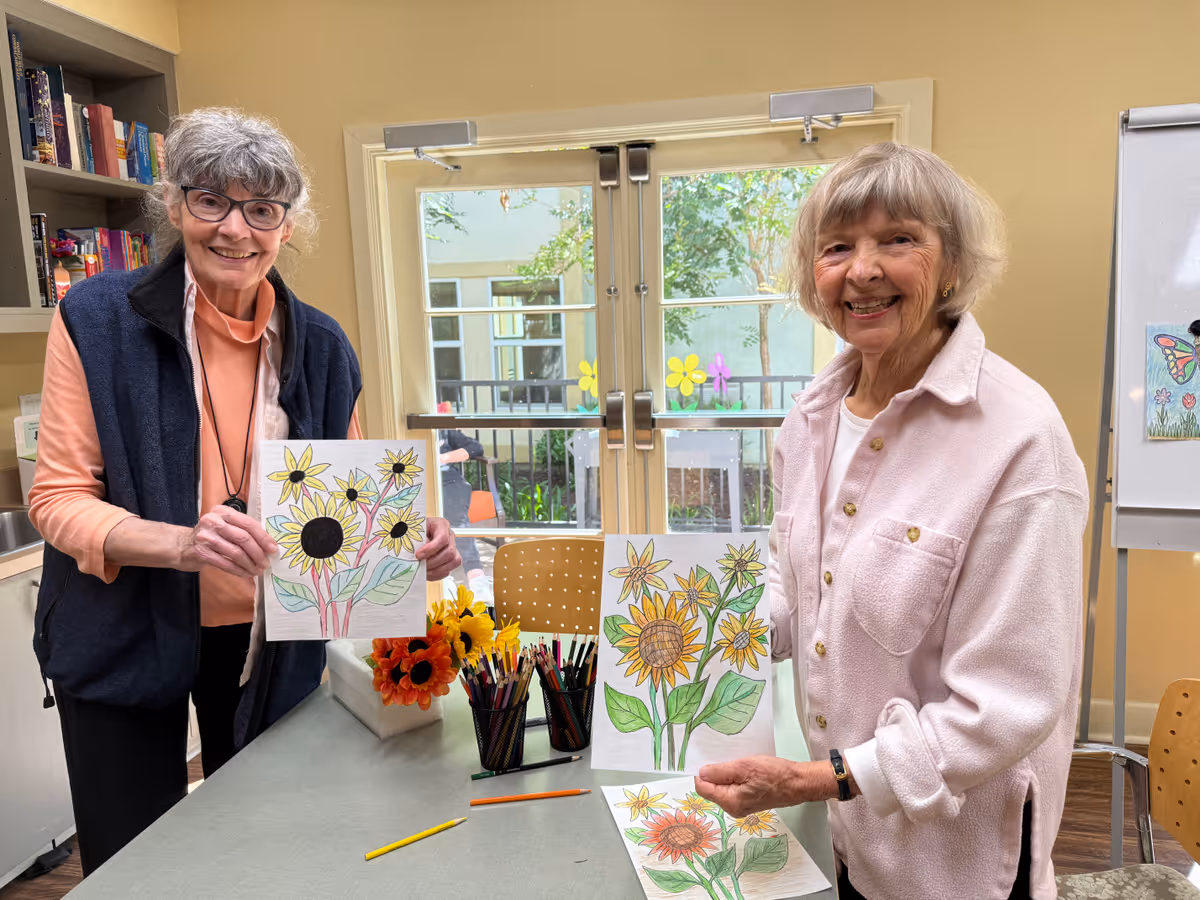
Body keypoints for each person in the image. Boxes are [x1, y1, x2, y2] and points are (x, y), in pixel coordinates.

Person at [28, 108, 462, 875]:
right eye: (212, 202)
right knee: (138, 868)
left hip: (270, 643)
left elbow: (351, 499)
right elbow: (58, 499)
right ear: (175, 205)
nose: (236, 230)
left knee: (271, 855)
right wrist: (182, 544)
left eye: (262, 209)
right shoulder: (96, 322)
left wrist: (410, 537)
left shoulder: (322, 347)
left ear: (286, 226)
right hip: (122, 632)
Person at [693, 143, 1087, 900]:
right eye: (836, 247)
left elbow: (1011, 700)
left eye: (898, 239)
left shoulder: (1020, 440)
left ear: (953, 264)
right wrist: (695, 623)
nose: (862, 270)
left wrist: (822, 778)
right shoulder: (809, 417)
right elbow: (796, 579)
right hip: (846, 833)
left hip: (954, 860)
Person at [435, 401, 492, 603]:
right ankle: (443, 579)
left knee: (457, 520)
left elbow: (475, 447)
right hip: (424, 482)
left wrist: (443, 458)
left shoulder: (444, 431)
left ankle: (476, 578)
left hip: (449, 482)